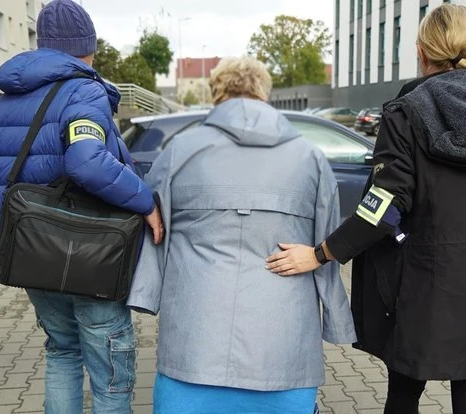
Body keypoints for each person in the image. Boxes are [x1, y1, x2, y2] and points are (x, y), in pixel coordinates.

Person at [266, 4, 466, 413]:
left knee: (403, 393)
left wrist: (320, 254)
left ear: (421, 52)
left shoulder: (405, 114)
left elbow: (383, 205)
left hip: (422, 291)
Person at [127, 56, 357, 414]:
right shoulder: (310, 157)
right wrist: (337, 318)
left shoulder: (180, 152)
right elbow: (323, 245)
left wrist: (146, 295)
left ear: (216, 93)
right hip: (282, 344)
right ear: (265, 94)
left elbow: (154, 232)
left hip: (196, 337)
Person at [0, 1, 163, 412]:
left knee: (62, 353)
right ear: (87, 45)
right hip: (89, 254)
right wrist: (145, 200)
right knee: (110, 379)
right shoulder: (83, 88)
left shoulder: (8, 99)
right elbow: (85, 161)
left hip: (30, 250)